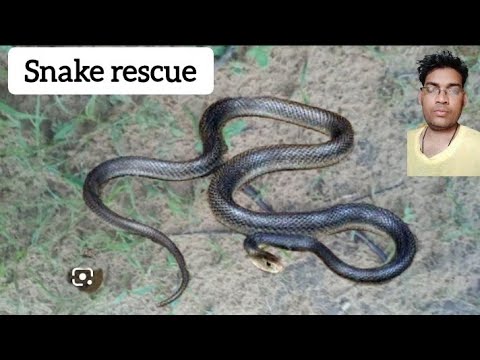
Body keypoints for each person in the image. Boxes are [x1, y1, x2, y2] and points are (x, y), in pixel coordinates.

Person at [407, 50, 480, 176]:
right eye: (432, 89)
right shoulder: (404, 143)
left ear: (464, 99)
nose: (441, 99)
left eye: (453, 90)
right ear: (420, 96)